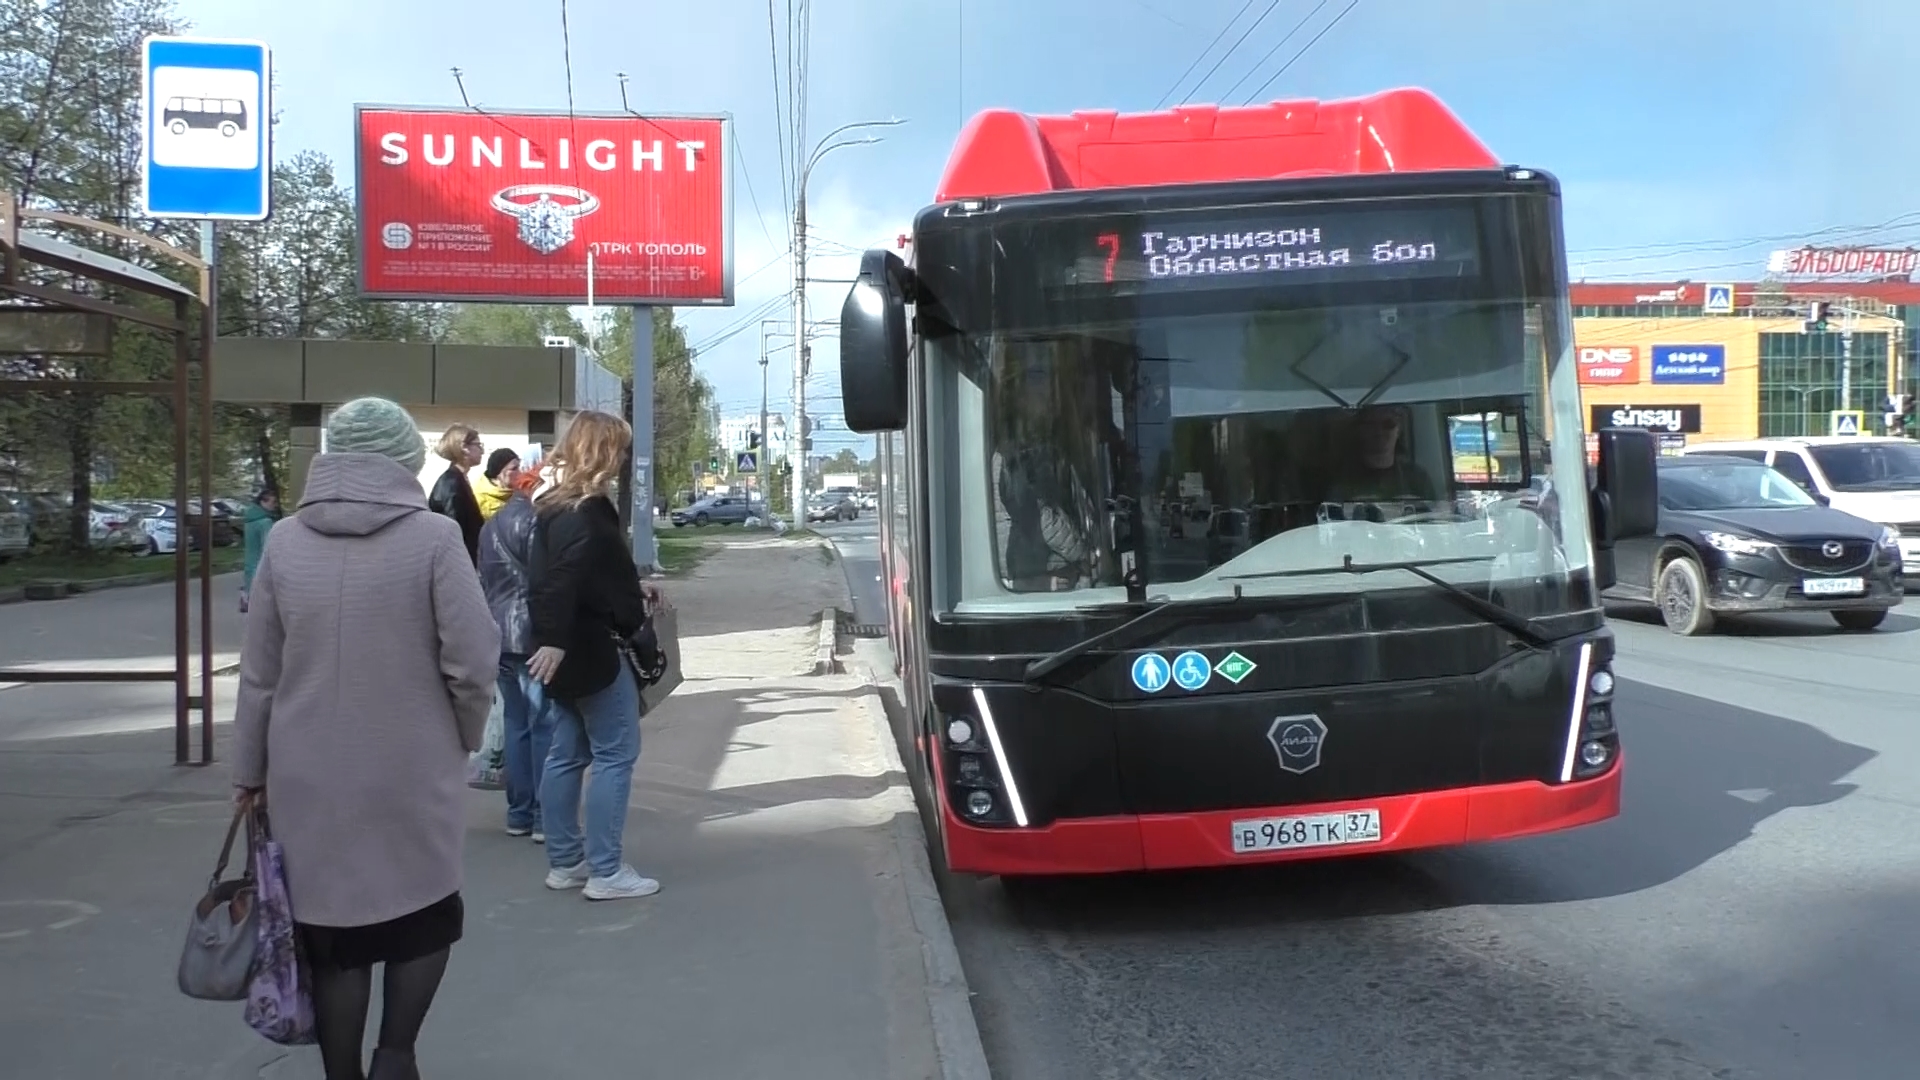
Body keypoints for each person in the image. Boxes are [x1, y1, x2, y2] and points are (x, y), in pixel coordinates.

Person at [232, 397, 500, 1080]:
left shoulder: (287, 541)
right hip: (411, 766)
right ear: (402, 458)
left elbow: (259, 674)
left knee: (333, 937)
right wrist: (461, 736)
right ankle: (397, 1054)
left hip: (305, 773)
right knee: (422, 914)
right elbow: (472, 660)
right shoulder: (435, 539)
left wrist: (248, 771)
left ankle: (343, 1074)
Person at [527, 410, 662, 901]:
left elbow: (582, 574)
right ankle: (607, 871)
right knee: (615, 755)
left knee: (567, 754)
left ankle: (566, 862)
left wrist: (631, 587)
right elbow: (564, 578)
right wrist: (555, 637)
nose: (624, 458)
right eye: (620, 448)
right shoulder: (589, 509)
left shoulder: (551, 504)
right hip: (591, 651)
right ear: (604, 450)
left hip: (565, 655)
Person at [478, 445, 553, 843]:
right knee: (543, 723)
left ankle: (518, 813)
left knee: (515, 723)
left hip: (498, 635)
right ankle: (542, 814)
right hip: (532, 636)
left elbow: (483, 582)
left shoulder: (489, 527)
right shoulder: (539, 525)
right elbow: (544, 582)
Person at [1321, 404, 1441, 504]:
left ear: (1398, 430)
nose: (1379, 432)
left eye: (1388, 424)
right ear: (1360, 430)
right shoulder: (1342, 482)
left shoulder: (1418, 479)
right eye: (1371, 425)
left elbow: (1433, 522)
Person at [427, 423, 485, 564]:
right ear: (464, 448)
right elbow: (455, 534)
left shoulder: (458, 479)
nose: (482, 450)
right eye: (478, 445)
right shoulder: (452, 484)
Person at [238, 487, 280, 613]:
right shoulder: (265, 522)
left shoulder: (249, 521)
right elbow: (268, 546)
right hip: (261, 564)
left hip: (250, 563)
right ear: (263, 502)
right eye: (272, 502)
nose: (275, 506)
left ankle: (246, 599)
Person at [474, 448, 519, 522]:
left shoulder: (519, 494)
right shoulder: (479, 499)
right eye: (514, 469)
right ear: (498, 472)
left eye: (519, 467)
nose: (519, 472)